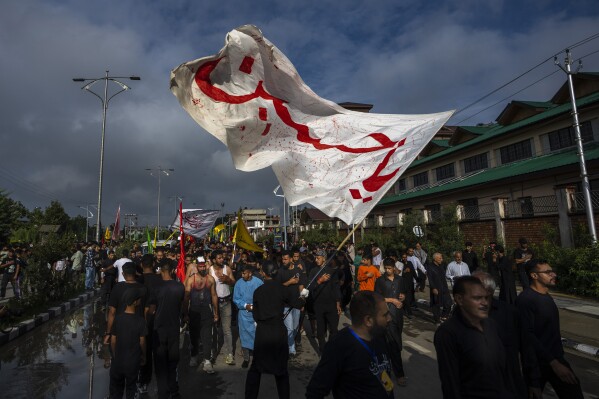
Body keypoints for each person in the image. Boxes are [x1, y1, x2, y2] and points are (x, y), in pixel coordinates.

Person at [434, 276, 518, 398]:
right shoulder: (448, 333)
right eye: (477, 298)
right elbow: (450, 384)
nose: (484, 303)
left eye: (486, 297)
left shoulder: (491, 325)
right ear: (459, 299)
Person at [306, 290, 394, 398]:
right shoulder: (338, 346)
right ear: (368, 320)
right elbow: (315, 392)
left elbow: (383, 375)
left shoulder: (379, 336)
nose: (390, 318)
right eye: (385, 315)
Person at [516, 260, 584, 399]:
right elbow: (527, 337)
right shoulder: (526, 300)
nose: (553, 274)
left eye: (552, 271)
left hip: (556, 359)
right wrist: (551, 365)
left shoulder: (546, 296)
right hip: (540, 364)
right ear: (534, 276)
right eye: (547, 272)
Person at [245, 260, 306, 399]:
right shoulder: (282, 289)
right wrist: (303, 297)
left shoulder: (258, 291)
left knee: (256, 368)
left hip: (263, 333)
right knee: (281, 370)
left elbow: (256, 315)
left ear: (263, 273)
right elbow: (298, 304)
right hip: (278, 331)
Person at [473, 271, 527, 398]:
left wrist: (533, 381)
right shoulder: (462, 314)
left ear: (489, 291)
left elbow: (526, 348)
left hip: (508, 384)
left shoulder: (510, 313)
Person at [150, 260, 185, 399]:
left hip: (159, 330)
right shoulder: (179, 287)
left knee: (160, 364)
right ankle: (174, 391)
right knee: (173, 361)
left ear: (161, 271)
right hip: (173, 329)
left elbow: (152, 310)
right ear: (171, 271)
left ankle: (162, 393)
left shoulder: (156, 288)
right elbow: (182, 305)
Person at [108, 288, 147, 399]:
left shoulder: (118, 319)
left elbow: (113, 341)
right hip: (132, 363)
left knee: (116, 392)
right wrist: (144, 356)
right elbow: (142, 342)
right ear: (134, 302)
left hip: (118, 363)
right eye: (138, 299)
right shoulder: (140, 321)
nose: (140, 300)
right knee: (131, 390)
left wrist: (115, 356)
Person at [374, 258, 407, 387]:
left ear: (394, 267)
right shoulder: (380, 280)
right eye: (385, 268)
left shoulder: (400, 279)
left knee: (391, 344)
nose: (387, 270)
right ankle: (399, 375)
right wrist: (392, 300)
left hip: (398, 315)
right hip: (387, 316)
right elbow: (377, 297)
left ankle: (384, 370)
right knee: (395, 345)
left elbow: (404, 293)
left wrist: (402, 297)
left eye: (389, 268)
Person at [183, 259, 218, 373]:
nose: (203, 268)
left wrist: (216, 313)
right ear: (197, 266)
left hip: (206, 311)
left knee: (207, 337)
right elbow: (186, 297)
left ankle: (207, 361)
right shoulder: (190, 280)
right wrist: (185, 314)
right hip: (194, 310)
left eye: (204, 266)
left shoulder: (211, 279)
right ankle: (194, 356)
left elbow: (214, 296)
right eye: (200, 266)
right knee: (194, 336)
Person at [308, 249, 343, 355]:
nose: (316, 259)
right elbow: (309, 288)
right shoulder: (313, 271)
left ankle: (331, 348)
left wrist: (338, 303)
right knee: (321, 329)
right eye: (315, 257)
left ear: (324, 259)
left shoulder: (332, 271)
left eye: (318, 257)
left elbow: (336, 288)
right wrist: (319, 281)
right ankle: (322, 350)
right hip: (318, 304)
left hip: (331, 304)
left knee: (333, 329)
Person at [275, 250, 306, 357]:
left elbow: (301, 286)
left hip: (297, 304)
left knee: (296, 327)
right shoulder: (280, 272)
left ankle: (288, 343)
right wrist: (289, 282)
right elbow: (277, 288)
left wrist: (302, 300)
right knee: (290, 327)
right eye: (283, 259)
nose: (284, 261)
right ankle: (291, 349)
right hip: (285, 305)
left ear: (291, 259)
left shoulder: (298, 271)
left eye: (286, 259)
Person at [233, 264, 264, 368]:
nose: (242, 275)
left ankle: (257, 358)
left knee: (257, 336)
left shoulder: (258, 283)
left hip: (256, 314)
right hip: (244, 315)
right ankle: (246, 358)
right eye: (242, 273)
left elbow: (263, 297)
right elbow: (236, 299)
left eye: (244, 273)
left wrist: (255, 307)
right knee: (244, 335)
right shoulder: (238, 283)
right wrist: (246, 306)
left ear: (250, 273)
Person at [427, 253, 452, 324]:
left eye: (441, 258)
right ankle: (437, 319)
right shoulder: (430, 267)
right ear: (435, 259)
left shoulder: (441, 266)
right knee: (436, 304)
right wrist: (433, 288)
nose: (442, 259)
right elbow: (430, 279)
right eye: (440, 258)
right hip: (436, 288)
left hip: (444, 288)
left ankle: (444, 316)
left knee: (448, 303)